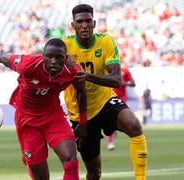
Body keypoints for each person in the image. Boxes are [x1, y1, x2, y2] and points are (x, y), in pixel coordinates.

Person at [0, 38, 87, 180]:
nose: (53, 61)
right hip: (27, 121)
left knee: (70, 160)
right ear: (43, 56)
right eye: (49, 56)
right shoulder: (28, 64)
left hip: (53, 117)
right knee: (40, 175)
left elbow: (81, 91)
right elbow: (3, 57)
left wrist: (83, 122)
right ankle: (29, 160)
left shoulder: (72, 70)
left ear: (65, 58)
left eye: (59, 57)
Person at [62, 4, 148, 180]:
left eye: (87, 21)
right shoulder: (64, 46)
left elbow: (116, 80)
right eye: (80, 22)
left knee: (134, 125)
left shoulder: (105, 41)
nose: (84, 25)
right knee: (94, 173)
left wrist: (86, 76)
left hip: (105, 101)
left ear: (94, 23)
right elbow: (43, 59)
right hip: (80, 114)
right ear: (73, 25)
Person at [107, 66, 136, 150]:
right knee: (110, 119)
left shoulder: (125, 70)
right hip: (110, 97)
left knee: (123, 119)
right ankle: (110, 142)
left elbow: (133, 83)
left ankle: (115, 128)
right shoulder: (109, 69)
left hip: (122, 99)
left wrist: (125, 83)